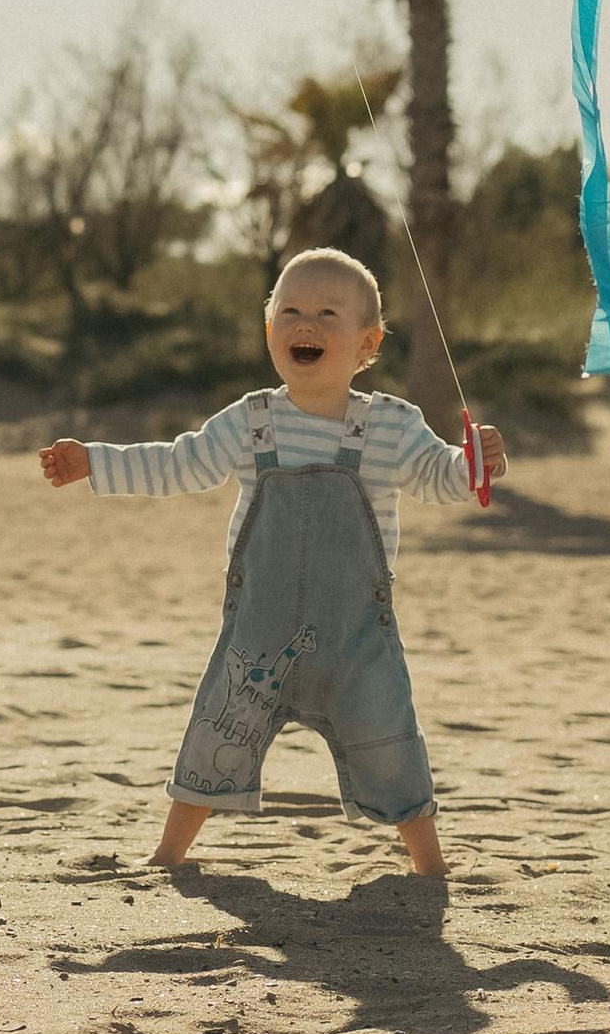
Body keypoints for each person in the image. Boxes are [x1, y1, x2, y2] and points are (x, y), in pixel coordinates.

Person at [39, 247, 507, 881]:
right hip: (259, 632)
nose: (304, 324)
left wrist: (474, 463)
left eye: (326, 312)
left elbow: (439, 478)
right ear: (268, 332)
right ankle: (168, 856)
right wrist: (96, 460)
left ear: (367, 343)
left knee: (390, 741)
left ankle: (430, 868)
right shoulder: (251, 422)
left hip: (356, 639)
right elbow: (181, 463)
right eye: (288, 310)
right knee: (214, 732)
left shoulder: (392, 427)